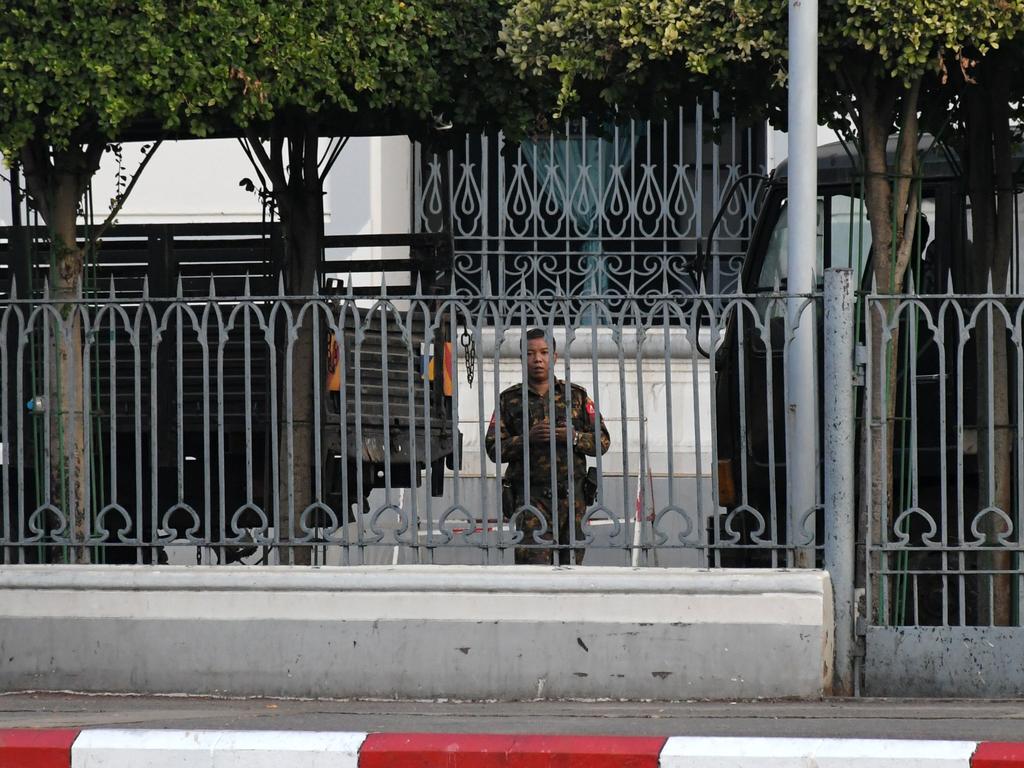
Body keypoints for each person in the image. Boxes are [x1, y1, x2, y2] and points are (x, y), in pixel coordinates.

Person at [485, 329, 610, 564]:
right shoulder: (509, 400)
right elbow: (493, 448)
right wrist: (527, 439)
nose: (537, 359)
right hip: (530, 499)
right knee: (532, 572)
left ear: (554, 357)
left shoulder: (577, 397)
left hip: (572, 499)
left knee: (571, 570)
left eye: (544, 353)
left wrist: (574, 438)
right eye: (530, 353)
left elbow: (603, 441)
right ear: (523, 358)